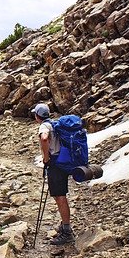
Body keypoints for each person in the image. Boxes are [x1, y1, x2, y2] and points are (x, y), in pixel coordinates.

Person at [32, 103, 75, 245]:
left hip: (55, 164)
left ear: (37, 116)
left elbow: (44, 138)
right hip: (62, 161)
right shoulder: (55, 124)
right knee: (60, 195)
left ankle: (67, 232)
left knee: (59, 197)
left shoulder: (44, 126)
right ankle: (64, 225)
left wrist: (46, 158)